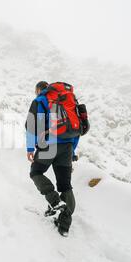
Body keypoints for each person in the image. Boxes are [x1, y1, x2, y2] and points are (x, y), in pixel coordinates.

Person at [25, 81, 82, 237]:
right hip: (67, 146)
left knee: (36, 172)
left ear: (38, 90)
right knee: (65, 186)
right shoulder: (66, 101)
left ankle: (56, 202)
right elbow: (76, 130)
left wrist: (30, 148)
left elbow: (31, 125)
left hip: (50, 144)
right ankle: (64, 226)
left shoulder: (40, 100)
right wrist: (72, 151)